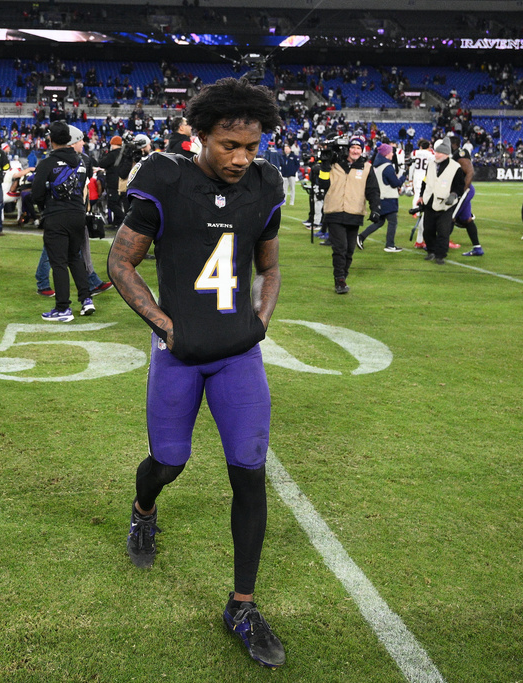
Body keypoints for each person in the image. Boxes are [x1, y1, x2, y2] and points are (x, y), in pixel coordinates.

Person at [106, 77, 286, 669]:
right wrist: (165, 326)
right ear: (200, 135)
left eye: (251, 147)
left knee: (250, 473)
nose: (242, 158)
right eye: (230, 145)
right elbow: (120, 261)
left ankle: (242, 605)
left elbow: (269, 266)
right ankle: (144, 512)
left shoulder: (265, 184)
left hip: (238, 354)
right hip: (179, 353)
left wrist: (261, 319)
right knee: (168, 463)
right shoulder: (165, 177)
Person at [31, 122, 93, 321]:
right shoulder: (81, 162)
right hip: (78, 214)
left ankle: (63, 308)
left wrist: (45, 207)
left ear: (51, 140)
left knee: (58, 262)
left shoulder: (47, 163)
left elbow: (36, 193)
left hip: (56, 215)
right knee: (75, 257)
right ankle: (86, 299)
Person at [318, 136, 380, 294]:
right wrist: (324, 166)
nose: (355, 151)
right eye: (353, 147)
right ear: (348, 149)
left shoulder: (367, 168)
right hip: (334, 211)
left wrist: (375, 209)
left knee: (349, 250)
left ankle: (342, 277)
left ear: (362, 150)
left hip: (354, 212)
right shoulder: (334, 164)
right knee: (340, 248)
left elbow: (372, 190)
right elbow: (323, 184)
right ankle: (339, 279)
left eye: (358, 148)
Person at [418, 137, 466, 265]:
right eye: (436, 152)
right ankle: (431, 251)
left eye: (438, 152)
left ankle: (440, 255)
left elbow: (460, 185)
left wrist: (454, 194)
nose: (436, 154)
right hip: (429, 201)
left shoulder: (456, 167)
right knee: (428, 230)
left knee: (443, 231)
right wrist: (421, 195)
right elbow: (425, 181)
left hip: (445, 204)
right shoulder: (431, 164)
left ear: (446, 154)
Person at [357, 142, 406, 253]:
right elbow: (395, 183)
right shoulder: (387, 166)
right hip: (388, 197)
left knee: (380, 221)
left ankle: (361, 236)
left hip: (381, 196)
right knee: (392, 221)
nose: (392, 154)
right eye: (391, 152)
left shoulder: (377, 165)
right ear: (386, 154)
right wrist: (404, 176)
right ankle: (390, 245)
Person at [408, 139, 434, 248]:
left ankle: (416, 211)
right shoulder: (431, 154)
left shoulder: (415, 153)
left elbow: (411, 166)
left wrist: (410, 179)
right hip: (426, 178)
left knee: (417, 195)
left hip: (417, 176)